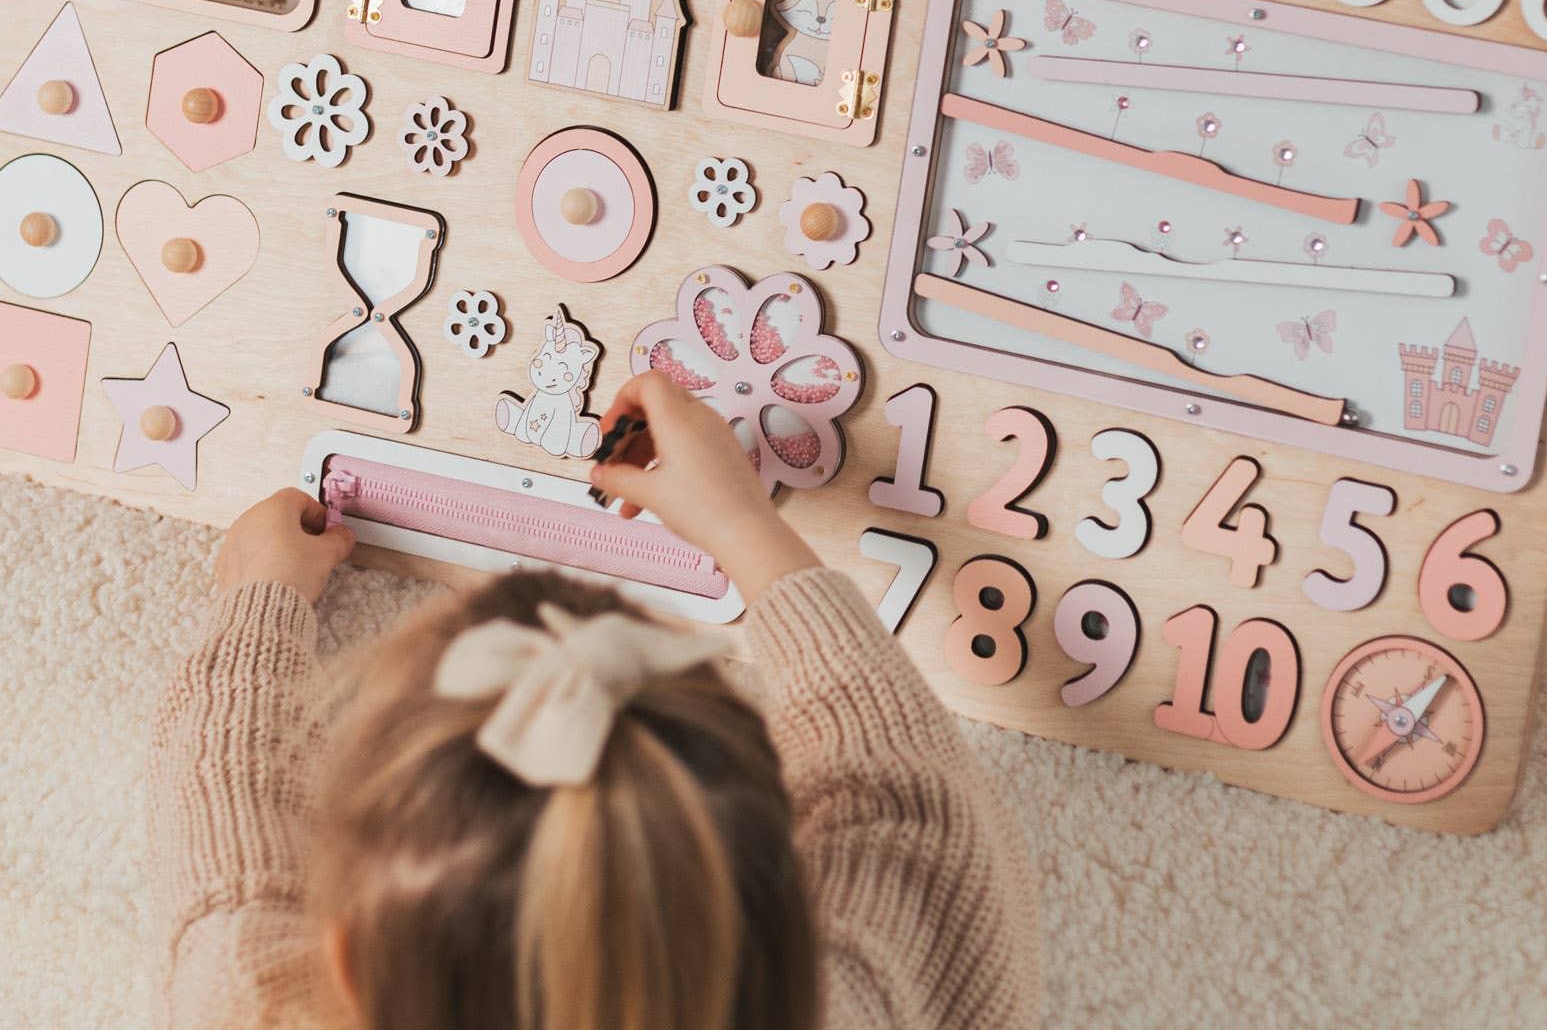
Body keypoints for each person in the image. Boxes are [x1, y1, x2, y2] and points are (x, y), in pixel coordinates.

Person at [148, 370, 1042, 1028]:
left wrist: (255, 599)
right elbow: (915, 808)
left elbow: (222, 816)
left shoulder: (251, 1003)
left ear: (347, 959)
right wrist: (740, 525)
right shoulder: (845, 1003)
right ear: (777, 941)